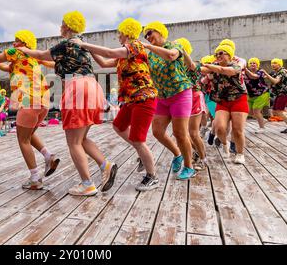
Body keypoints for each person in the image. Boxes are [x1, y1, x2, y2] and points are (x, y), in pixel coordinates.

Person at [17, 11, 117, 196]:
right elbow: (50, 61)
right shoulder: (83, 45)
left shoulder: (66, 43)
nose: (60, 27)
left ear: (69, 27)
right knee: (82, 139)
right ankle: (106, 165)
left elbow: (42, 54)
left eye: (62, 24)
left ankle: (87, 184)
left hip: (76, 87)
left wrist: (25, 51)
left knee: (73, 142)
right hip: (93, 87)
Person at [0, 29, 60, 190]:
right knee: (28, 134)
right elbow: (7, 68)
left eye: (17, 40)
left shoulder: (15, 52)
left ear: (25, 43)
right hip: (43, 102)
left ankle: (35, 178)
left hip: (29, 100)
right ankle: (48, 156)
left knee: (23, 140)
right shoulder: (32, 57)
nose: (14, 43)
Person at [71, 18, 159, 191]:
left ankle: (152, 176)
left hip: (143, 98)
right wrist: (87, 50)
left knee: (138, 139)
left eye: (119, 33)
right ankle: (141, 152)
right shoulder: (124, 56)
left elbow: (110, 53)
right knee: (118, 126)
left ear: (127, 33)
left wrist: (85, 44)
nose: (118, 36)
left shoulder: (135, 46)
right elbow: (104, 63)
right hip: (130, 100)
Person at [142, 21, 195, 180]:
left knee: (180, 133)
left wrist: (148, 46)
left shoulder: (175, 45)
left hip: (180, 94)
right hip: (162, 97)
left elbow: (171, 56)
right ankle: (177, 154)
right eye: (145, 35)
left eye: (150, 33)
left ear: (159, 31)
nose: (148, 37)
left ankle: (189, 166)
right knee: (157, 131)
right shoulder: (149, 55)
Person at [201, 43, 248, 164]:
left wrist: (209, 66)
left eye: (221, 53)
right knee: (220, 127)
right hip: (222, 101)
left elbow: (224, 70)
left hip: (238, 99)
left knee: (237, 130)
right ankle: (225, 144)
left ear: (229, 55)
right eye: (216, 54)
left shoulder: (236, 65)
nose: (218, 56)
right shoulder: (214, 65)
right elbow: (201, 70)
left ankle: (240, 153)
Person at [176, 38, 207, 171]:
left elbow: (192, 67)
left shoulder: (193, 63)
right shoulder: (174, 66)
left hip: (194, 97)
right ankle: (194, 154)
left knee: (193, 133)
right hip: (180, 99)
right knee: (184, 134)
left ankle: (203, 159)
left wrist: (181, 50)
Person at [262, 58, 287, 133]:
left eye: (275, 63)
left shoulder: (281, 72)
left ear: (279, 64)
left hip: (283, 93)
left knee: (279, 111)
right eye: (272, 63)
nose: (273, 64)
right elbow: (268, 77)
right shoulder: (276, 72)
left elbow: (275, 81)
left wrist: (266, 73)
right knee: (275, 111)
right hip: (279, 94)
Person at [245, 58, 270, 133]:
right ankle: (262, 120)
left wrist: (245, 69)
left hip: (262, 93)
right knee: (249, 112)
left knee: (256, 111)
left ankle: (262, 128)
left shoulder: (260, 71)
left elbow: (254, 76)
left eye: (254, 63)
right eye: (251, 63)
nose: (252, 64)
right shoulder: (245, 73)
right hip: (251, 95)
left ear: (257, 65)